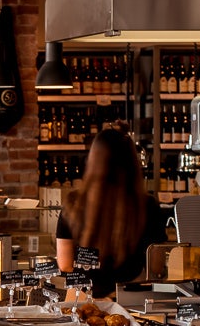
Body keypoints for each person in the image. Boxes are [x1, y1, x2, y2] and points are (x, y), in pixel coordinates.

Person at [55, 126, 167, 298]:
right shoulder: (147, 205)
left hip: (84, 300)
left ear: (93, 159)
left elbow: (64, 264)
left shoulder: (73, 203)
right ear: (132, 163)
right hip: (129, 300)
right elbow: (156, 267)